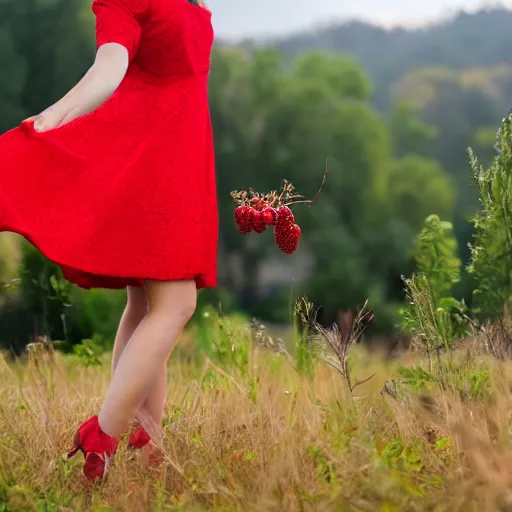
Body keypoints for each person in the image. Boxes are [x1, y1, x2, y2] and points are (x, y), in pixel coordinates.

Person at [0, 0, 217, 479]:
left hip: (181, 157)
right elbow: (109, 70)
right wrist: (54, 117)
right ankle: (104, 433)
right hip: (150, 162)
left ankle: (149, 439)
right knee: (176, 303)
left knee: (144, 303)